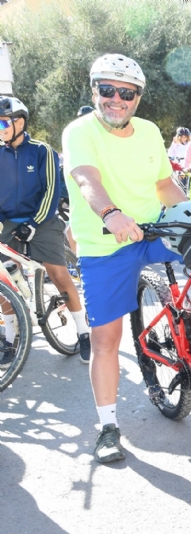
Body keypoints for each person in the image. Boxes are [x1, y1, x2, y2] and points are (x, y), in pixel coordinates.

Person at [61, 54, 191, 463]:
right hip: (105, 241)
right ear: (94, 91)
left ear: (137, 97)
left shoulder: (149, 131)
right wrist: (111, 213)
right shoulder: (79, 131)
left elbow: (164, 185)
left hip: (151, 230)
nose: (116, 99)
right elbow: (86, 178)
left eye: (126, 92)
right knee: (105, 339)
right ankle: (108, 428)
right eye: (107, 89)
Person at [0, 96, 91, 369]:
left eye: (3, 122)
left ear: (20, 122)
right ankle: (11, 337)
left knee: (59, 275)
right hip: (8, 222)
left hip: (42, 222)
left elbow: (51, 191)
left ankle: (83, 331)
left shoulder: (42, 151)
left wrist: (34, 223)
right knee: (4, 282)